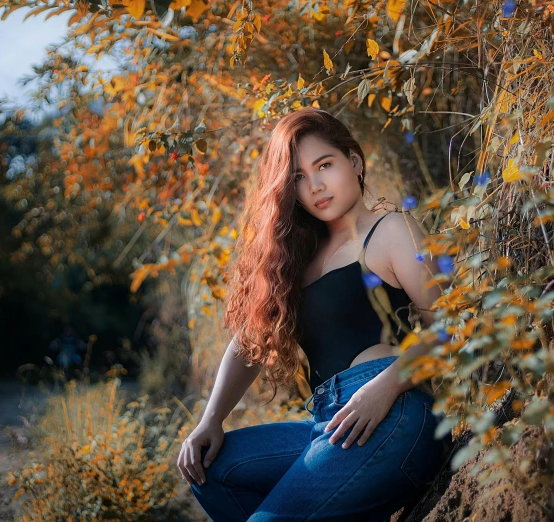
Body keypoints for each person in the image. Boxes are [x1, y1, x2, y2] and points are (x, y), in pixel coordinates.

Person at [177, 108, 453, 521]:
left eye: (324, 165)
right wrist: (210, 420)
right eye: (299, 178)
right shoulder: (296, 259)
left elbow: (451, 329)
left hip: (393, 415)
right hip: (329, 422)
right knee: (210, 469)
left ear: (354, 162)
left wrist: (384, 388)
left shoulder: (392, 230)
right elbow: (249, 342)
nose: (316, 186)